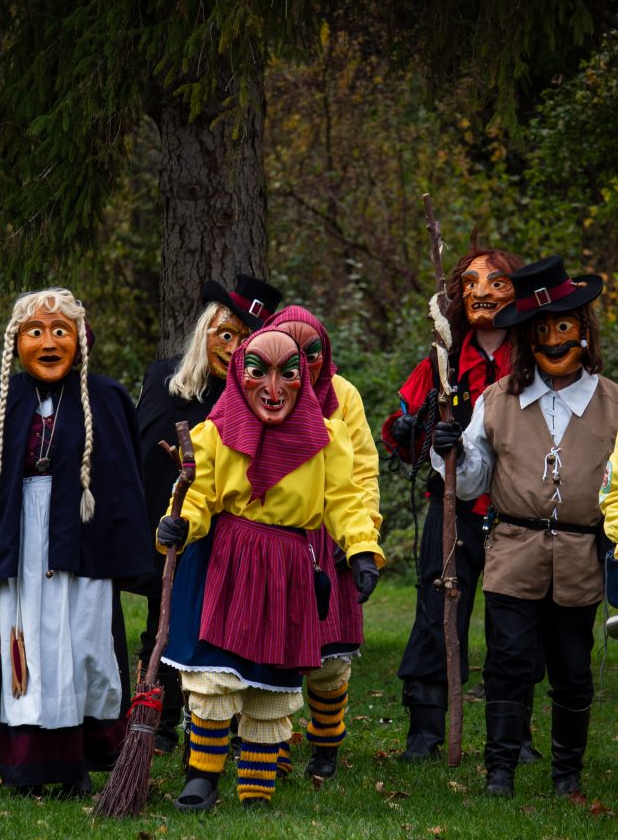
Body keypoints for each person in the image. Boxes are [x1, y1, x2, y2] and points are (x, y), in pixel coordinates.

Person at [156, 327, 385, 811]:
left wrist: (362, 549)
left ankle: (257, 788)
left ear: (305, 378)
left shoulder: (326, 438)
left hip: (286, 566)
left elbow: (345, 500)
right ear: (241, 376)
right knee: (215, 675)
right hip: (228, 560)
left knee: (271, 682)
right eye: (259, 373)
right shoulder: (216, 433)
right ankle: (202, 778)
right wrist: (180, 524)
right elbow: (199, 494)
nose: (274, 389)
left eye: (288, 374)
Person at [0, 289, 152, 797]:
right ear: (16, 342)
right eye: (35, 332)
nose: (49, 342)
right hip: (23, 546)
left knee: (86, 644)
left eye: (61, 331)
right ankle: (28, 768)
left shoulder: (106, 398)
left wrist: (128, 552)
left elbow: (125, 481)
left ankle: (81, 764)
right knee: (27, 648)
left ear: (80, 340)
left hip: (84, 541)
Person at [431, 254, 618, 798]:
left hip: (581, 557)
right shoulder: (497, 400)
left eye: (564, 328)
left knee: (572, 667)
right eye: (541, 330)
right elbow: (470, 482)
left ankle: (567, 774)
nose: (554, 340)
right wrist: (450, 452)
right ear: (525, 338)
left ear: (583, 331)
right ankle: (500, 772)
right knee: (508, 662)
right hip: (513, 550)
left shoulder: (612, 403)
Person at [381, 243, 544, 762]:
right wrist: (410, 430)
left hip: (519, 515)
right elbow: (402, 430)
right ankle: (424, 735)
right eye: (471, 283)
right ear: (456, 293)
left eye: (497, 282)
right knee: (437, 613)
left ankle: (514, 736)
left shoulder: (539, 359)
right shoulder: (441, 360)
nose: (482, 292)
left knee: (515, 622)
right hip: (451, 512)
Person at [133, 275, 282, 751]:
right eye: (226, 334)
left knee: (226, 624)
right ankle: (157, 719)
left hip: (228, 531)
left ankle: (226, 723)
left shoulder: (255, 399)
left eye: (246, 341)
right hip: (169, 522)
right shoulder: (162, 379)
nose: (233, 349)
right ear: (205, 331)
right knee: (162, 619)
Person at [264, 304, 381, 779]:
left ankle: (326, 741)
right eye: (291, 350)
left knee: (329, 657)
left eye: (311, 351)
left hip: (331, 535)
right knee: (274, 645)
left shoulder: (343, 394)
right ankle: (273, 741)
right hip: (273, 536)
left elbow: (362, 471)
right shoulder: (256, 393)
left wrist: (361, 540)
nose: (303, 361)